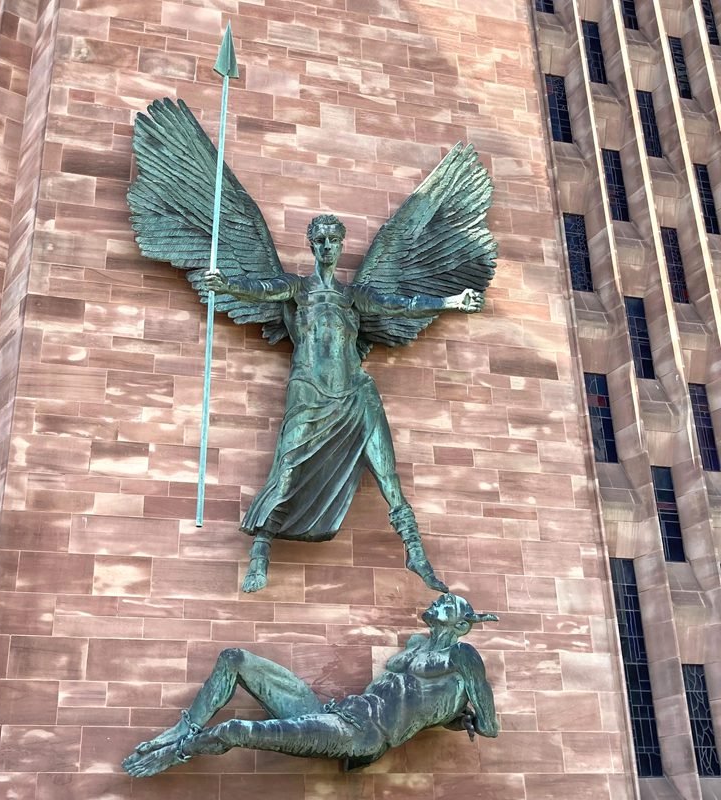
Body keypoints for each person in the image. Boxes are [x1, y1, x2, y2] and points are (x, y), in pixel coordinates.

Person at [200, 214, 484, 593]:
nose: (327, 246)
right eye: (320, 240)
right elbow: (262, 289)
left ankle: (416, 553)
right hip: (310, 392)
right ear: (312, 244)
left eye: (334, 240)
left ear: (341, 243)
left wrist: (451, 301)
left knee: (387, 473)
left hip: (356, 392)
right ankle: (260, 553)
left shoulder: (353, 297)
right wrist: (228, 285)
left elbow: (401, 304)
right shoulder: (297, 289)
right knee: (286, 469)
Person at [122, 593, 499, 776]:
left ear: (462, 625)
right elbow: (421, 705)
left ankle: (175, 753)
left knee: (237, 729)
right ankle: (179, 731)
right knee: (234, 658)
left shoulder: (463, 657)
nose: (441, 599)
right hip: (334, 712)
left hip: (361, 733)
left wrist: (463, 716)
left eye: (449, 603)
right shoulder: (417, 645)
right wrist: (450, 716)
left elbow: (489, 725)